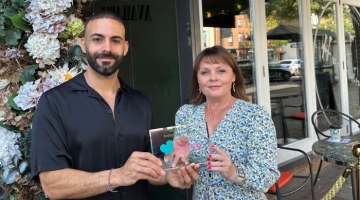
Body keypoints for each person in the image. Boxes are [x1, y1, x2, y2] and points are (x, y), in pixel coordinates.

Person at [31, 11, 199, 200]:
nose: (107, 48)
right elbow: (52, 186)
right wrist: (117, 176)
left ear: (125, 47)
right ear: (84, 45)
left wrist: (170, 175)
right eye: (97, 39)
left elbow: (153, 169)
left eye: (115, 41)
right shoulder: (54, 103)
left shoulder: (141, 103)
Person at [165, 46, 280, 199]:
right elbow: (179, 164)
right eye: (205, 72)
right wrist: (178, 162)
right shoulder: (185, 114)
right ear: (197, 79)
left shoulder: (255, 116)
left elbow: (268, 176)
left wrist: (233, 172)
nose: (213, 77)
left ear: (234, 76)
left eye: (221, 70)